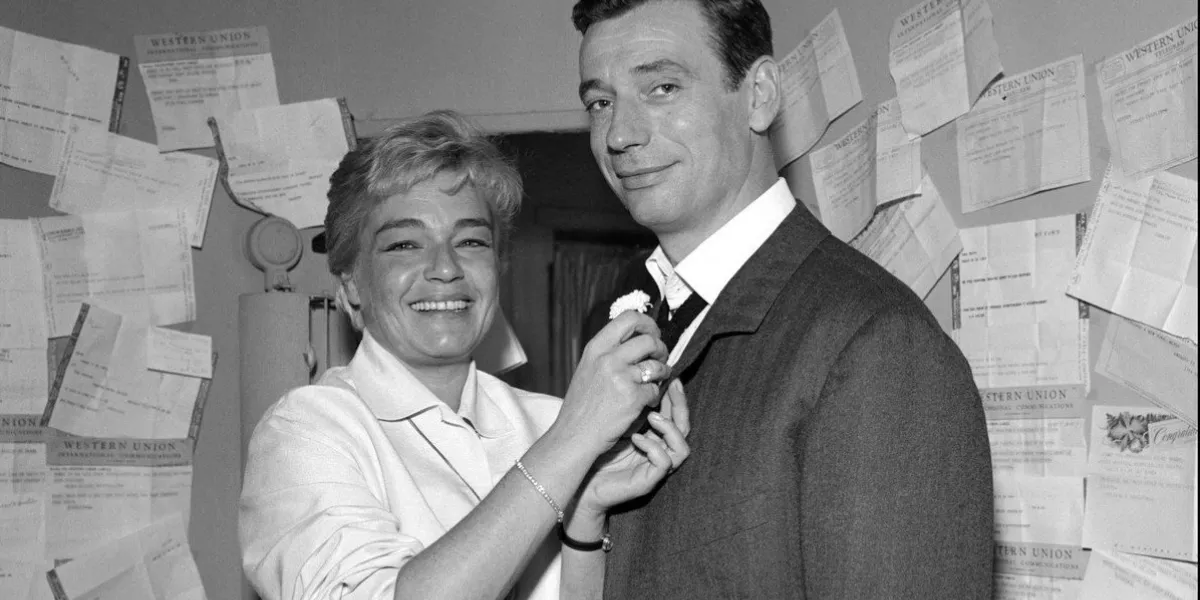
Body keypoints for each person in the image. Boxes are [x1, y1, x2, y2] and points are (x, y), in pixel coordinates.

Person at [571, 1, 995, 598]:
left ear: (760, 94)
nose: (619, 134)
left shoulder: (875, 345)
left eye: (662, 87)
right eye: (600, 103)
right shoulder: (616, 327)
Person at [239, 109, 691, 600]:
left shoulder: (551, 421)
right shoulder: (307, 432)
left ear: (498, 267)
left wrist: (584, 519)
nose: (445, 268)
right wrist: (570, 442)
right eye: (405, 245)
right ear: (351, 282)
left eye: (471, 241)